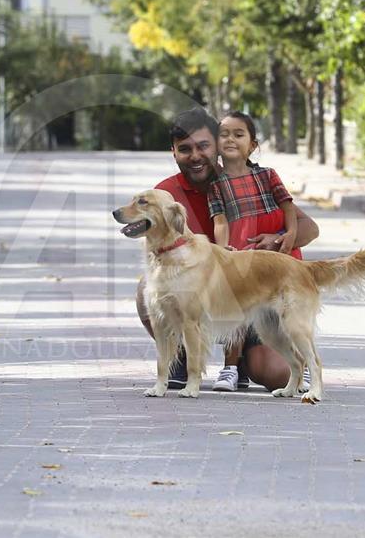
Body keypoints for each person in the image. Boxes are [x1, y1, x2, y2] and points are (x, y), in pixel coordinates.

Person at [135, 106, 320, 392]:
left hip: (263, 286)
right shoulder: (166, 195)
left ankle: (243, 362)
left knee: (273, 374)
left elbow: (310, 229)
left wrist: (277, 237)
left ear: (216, 148)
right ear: (173, 152)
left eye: (203, 147)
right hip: (213, 294)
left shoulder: (250, 182)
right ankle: (184, 354)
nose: (195, 156)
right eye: (185, 149)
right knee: (150, 286)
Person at [206, 110, 304, 391]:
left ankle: (302, 366)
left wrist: (288, 235)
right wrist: (224, 249)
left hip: (277, 259)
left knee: (286, 317)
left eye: (239, 134)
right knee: (232, 312)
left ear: (252, 145)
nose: (230, 139)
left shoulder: (266, 176)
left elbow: (288, 206)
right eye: (223, 134)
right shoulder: (216, 184)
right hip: (238, 258)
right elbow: (220, 220)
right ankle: (230, 369)